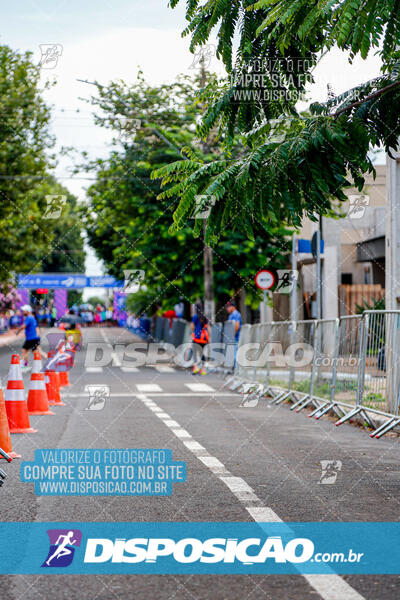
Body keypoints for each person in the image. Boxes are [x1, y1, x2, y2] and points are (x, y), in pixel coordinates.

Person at [15, 305, 44, 371]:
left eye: (23, 311)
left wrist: (17, 331)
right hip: (33, 338)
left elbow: (23, 326)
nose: (22, 312)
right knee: (32, 351)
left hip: (31, 338)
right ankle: (25, 365)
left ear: (27, 311)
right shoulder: (32, 318)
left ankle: (24, 365)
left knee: (27, 351)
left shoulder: (29, 318)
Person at [190, 303, 210, 375]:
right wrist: (209, 338)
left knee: (194, 352)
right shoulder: (205, 317)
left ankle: (195, 367)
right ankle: (203, 369)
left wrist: (194, 331)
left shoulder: (195, 316)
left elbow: (192, 326)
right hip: (204, 338)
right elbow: (208, 327)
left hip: (197, 337)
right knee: (202, 353)